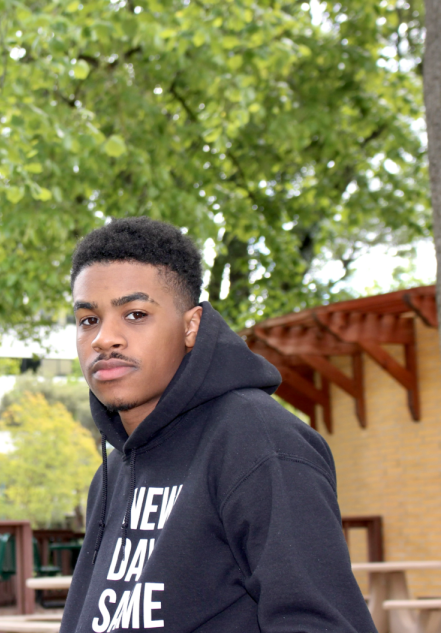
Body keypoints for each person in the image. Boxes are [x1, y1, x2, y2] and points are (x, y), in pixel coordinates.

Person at [61, 217, 375, 633]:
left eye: (135, 314)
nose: (105, 338)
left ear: (191, 326)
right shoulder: (114, 472)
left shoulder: (259, 442)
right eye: (88, 320)